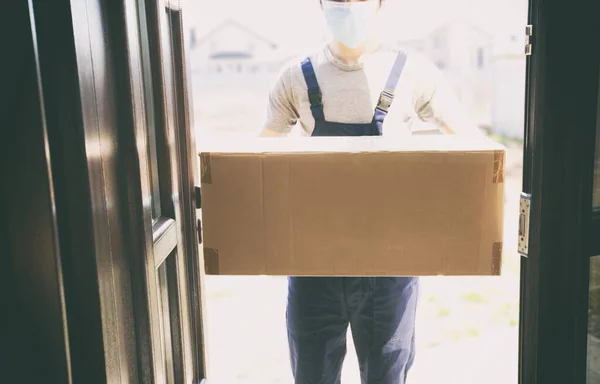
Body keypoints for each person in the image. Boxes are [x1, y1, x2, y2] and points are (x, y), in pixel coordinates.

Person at [260, 1, 481, 383]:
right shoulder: (295, 77)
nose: (348, 8)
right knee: (312, 375)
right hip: (314, 264)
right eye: (338, 2)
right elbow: (258, 164)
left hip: (390, 268)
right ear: (322, 5)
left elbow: (471, 152)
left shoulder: (414, 73)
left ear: (380, 4)